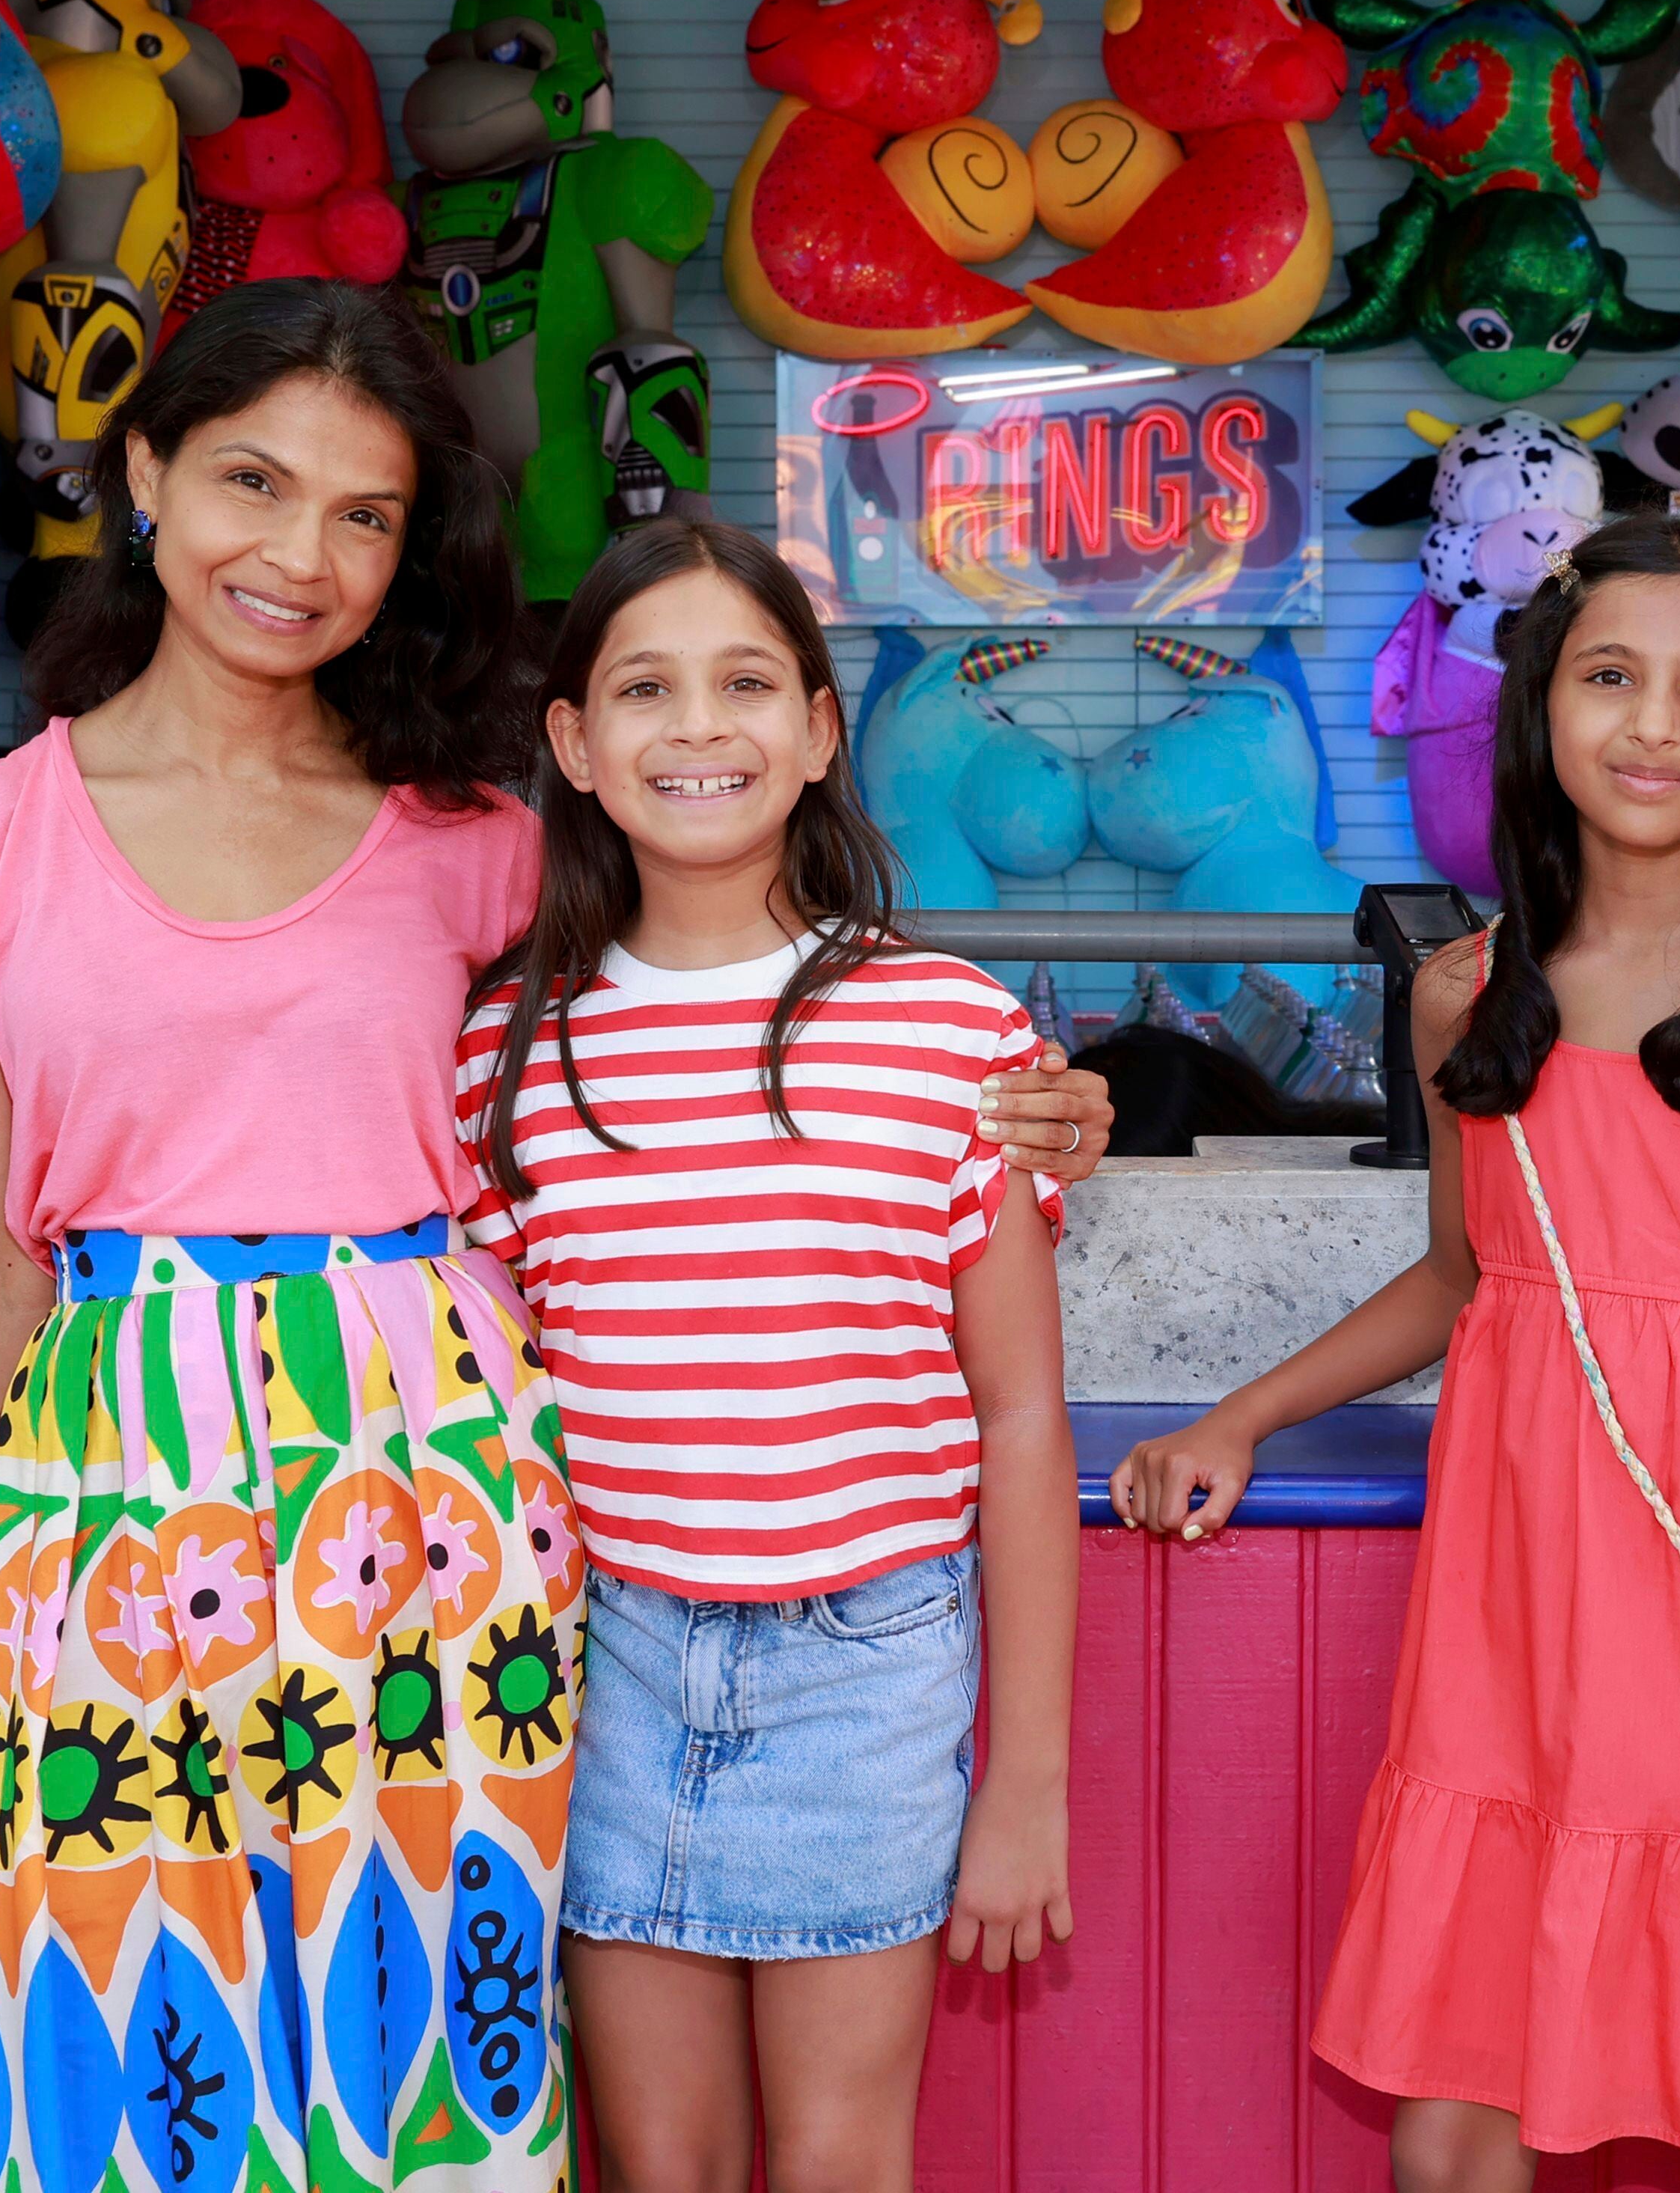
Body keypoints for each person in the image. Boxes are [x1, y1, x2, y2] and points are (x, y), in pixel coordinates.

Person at [0, 284, 1111, 2189]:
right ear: (142, 475)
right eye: (252, 484)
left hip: (435, 1513)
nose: (298, 554)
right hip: (114, 1502)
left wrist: (1051, 1102)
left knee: (415, 2061)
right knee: (115, 2069)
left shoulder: (465, 837)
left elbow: (714, 981)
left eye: (361, 514)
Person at [1111, 514, 1680, 2192]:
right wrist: (1246, 1416)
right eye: (1609, 678)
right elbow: (1462, 1277)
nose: (1653, 724)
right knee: (1449, 2135)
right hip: (1509, 1632)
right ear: (1537, 709)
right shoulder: (1461, 999)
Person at [452, 519, 1080, 2193]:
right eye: (643, 688)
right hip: (605, 1670)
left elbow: (1020, 1418)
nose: (698, 728)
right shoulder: (498, 1056)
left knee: (837, 2163)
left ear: (817, 729)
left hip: (869, 1675)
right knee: (657, 2167)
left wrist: (1024, 1785)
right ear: (575, 747)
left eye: (745, 683)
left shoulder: (952, 1034)